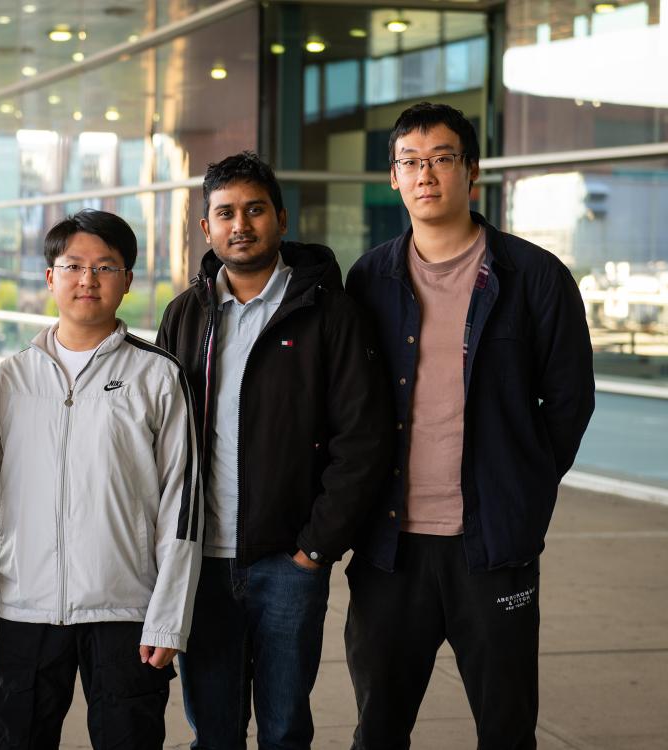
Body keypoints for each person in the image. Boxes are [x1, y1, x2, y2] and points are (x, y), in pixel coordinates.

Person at [344, 101, 595, 749]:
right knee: (378, 728)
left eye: (442, 159)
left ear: (472, 173)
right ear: (393, 178)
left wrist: (523, 483)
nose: (425, 174)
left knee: (507, 729)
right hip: (388, 549)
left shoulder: (534, 277)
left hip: (493, 548)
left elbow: (569, 403)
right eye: (410, 162)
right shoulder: (369, 278)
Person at [156, 151, 392, 748]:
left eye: (255, 209)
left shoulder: (329, 313)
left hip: (288, 561)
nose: (241, 224)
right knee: (213, 731)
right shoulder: (185, 314)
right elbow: (156, 434)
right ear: (205, 227)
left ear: (281, 220)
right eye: (226, 213)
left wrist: (314, 549)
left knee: (285, 730)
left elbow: (362, 440)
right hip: (201, 563)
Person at [0, 209, 202, 749]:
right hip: (24, 610)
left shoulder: (158, 375)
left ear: (128, 280)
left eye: (105, 267)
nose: (87, 279)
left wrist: (168, 620)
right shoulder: (11, 378)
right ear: (51, 278)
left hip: (125, 611)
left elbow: (182, 506)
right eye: (73, 265)